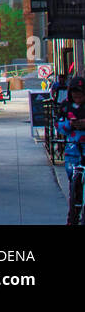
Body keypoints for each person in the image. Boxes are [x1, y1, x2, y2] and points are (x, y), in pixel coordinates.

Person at [60, 77, 85, 224]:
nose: (78, 98)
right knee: (74, 185)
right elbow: (58, 124)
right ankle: (73, 217)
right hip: (73, 150)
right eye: (75, 94)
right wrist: (70, 124)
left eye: (81, 95)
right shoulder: (65, 106)